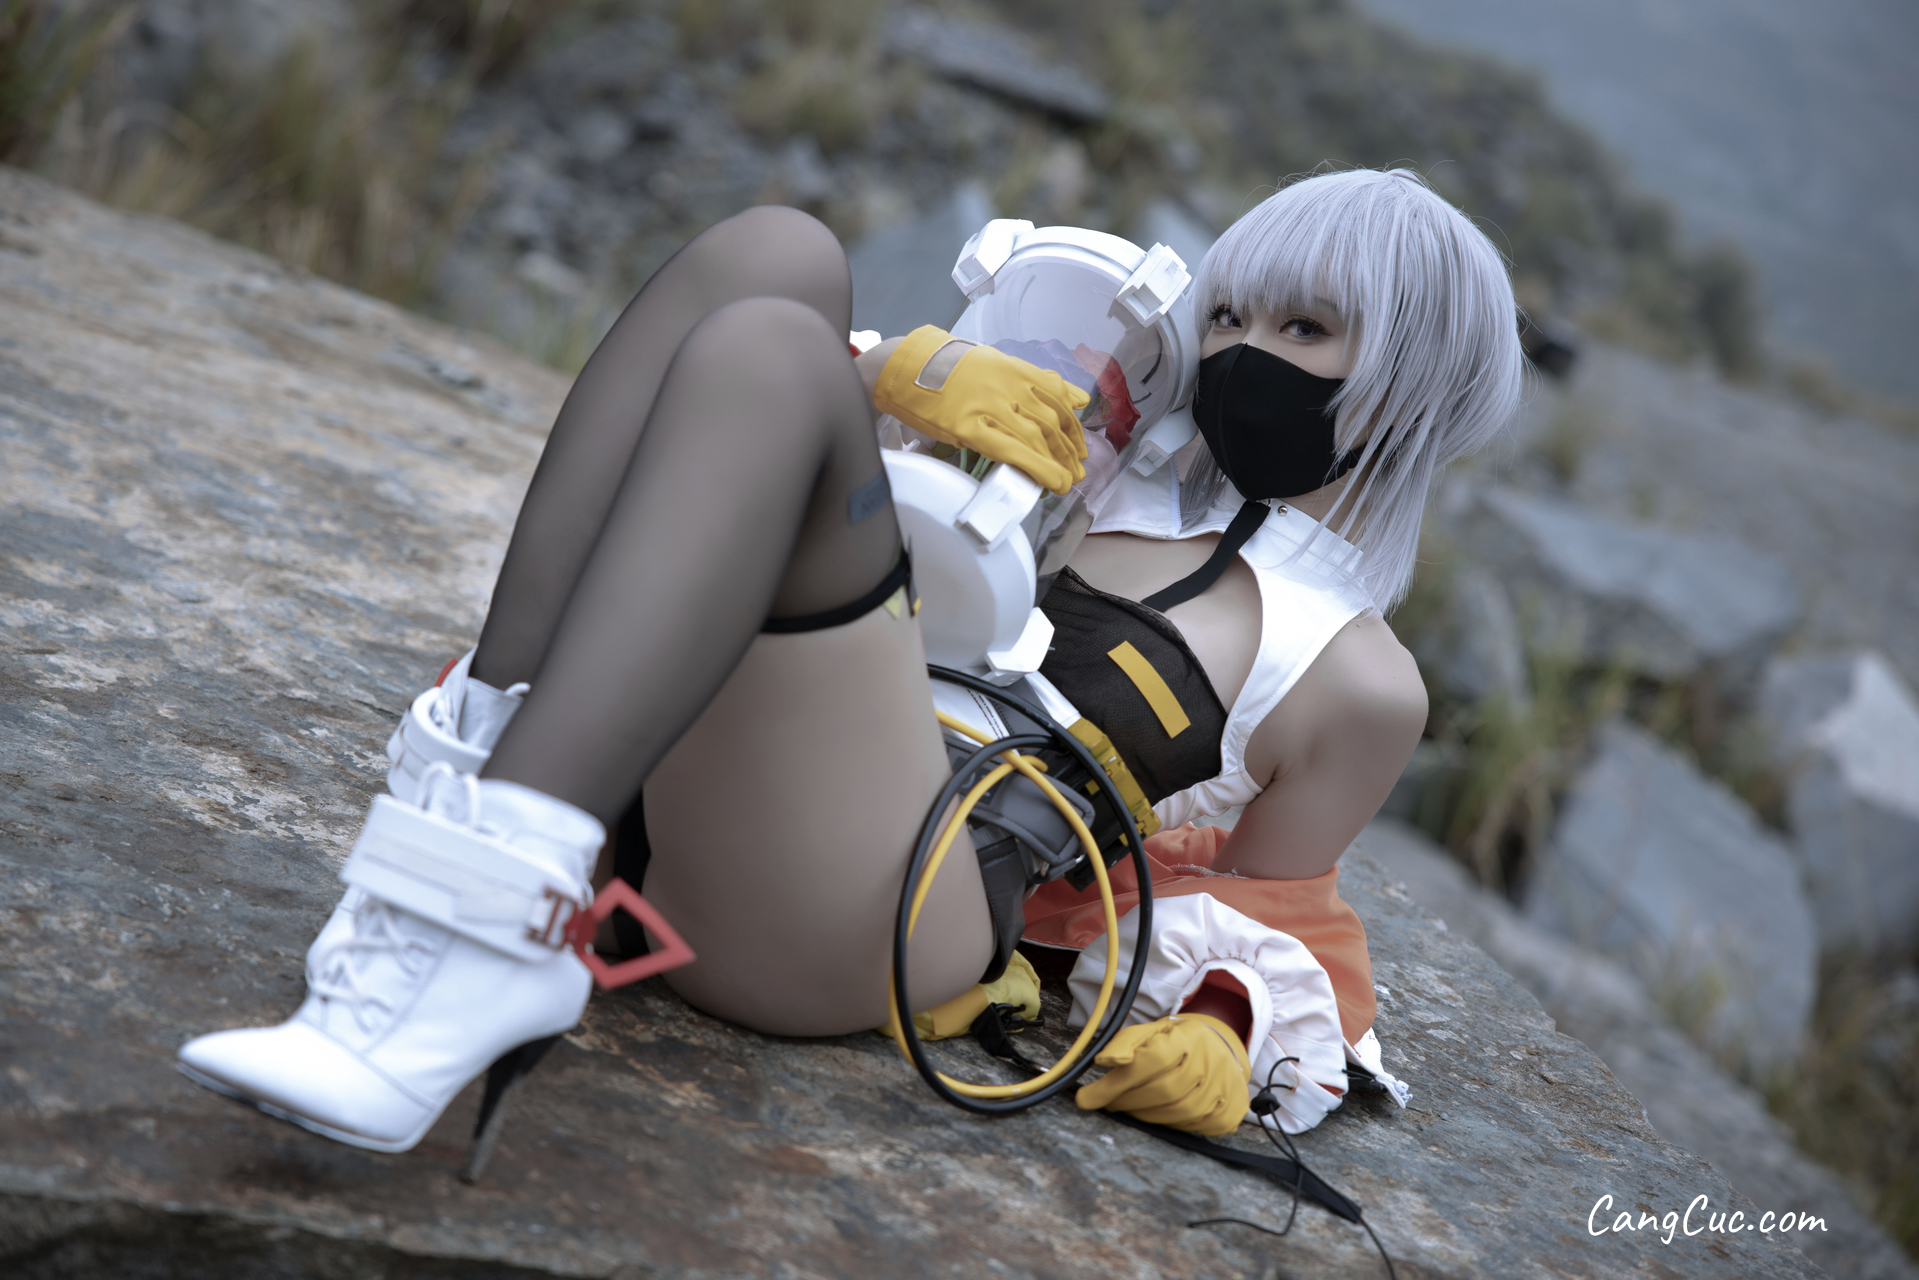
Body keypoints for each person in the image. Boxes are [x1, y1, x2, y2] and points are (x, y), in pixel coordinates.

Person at [176, 167, 1521, 1158]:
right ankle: (480, 788)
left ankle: (479, 930)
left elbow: (1282, 918)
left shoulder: (1356, 677)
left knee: (778, 352)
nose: (1242, 354)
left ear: (1418, 377)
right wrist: (901, 386)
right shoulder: (1105, 460)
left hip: (895, 905)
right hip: (723, 775)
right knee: (771, 258)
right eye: (1229, 315)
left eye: (1305, 330)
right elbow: (803, 504)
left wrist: (1223, 1029)